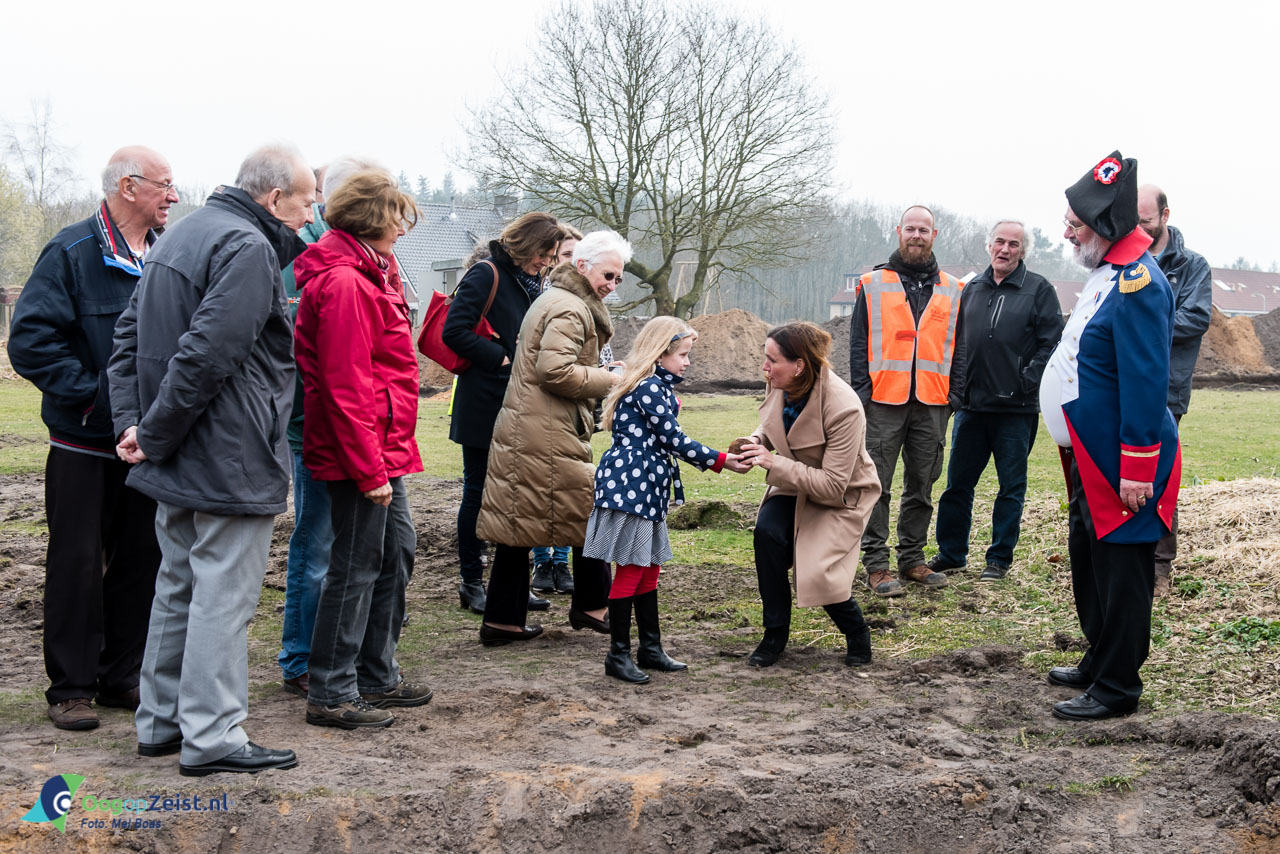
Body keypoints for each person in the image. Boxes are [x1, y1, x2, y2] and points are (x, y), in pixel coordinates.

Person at [108, 144, 315, 775]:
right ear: (274, 197)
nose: (311, 215)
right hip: (227, 450)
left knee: (178, 586)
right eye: (306, 201)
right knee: (222, 596)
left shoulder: (184, 234)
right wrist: (155, 431)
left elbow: (127, 340)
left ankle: (161, 722)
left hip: (182, 450)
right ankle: (214, 735)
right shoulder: (247, 249)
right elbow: (207, 354)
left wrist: (136, 426)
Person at [8, 146, 173, 731]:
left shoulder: (167, 258)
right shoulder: (72, 252)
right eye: (164, 186)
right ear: (128, 188)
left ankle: (119, 676)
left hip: (150, 442)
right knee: (77, 563)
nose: (173, 197)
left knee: (142, 557)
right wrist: (95, 401)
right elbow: (29, 341)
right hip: (84, 442)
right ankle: (71, 687)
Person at [1041, 151, 1179, 722]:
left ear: (1106, 226)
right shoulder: (1107, 276)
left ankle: (1118, 686)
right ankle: (1099, 658)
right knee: (1090, 561)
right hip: (1088, 456)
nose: (1068, 231)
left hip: (1123, 463)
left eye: (1076, 223)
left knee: (1122, 575)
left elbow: (1148, 383)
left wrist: (1137, 470)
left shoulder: (1140, 284)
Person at [293, 169, 431, 729]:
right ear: (374, 217)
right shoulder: (347, 283)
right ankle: (331, 688)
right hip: (360, 451)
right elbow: (346, 384)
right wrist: (368, 468)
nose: (403, 227)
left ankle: (375, 671)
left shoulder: (373, 273)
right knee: (354, 565)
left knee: (395, 553)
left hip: (382, 446)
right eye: (397, 215)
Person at [474, 230, 627, 645]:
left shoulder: (556, 299)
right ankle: (592, 607)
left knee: (518, 523)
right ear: (581, 266)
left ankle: (502, 621)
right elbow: (554, 372)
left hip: (535, 428)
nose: (612, 285)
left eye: (619, 279)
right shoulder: (570, 309)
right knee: (589, 513)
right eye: (607, 275)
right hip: (546, 431)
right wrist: (609, 378)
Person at [277, 157, 383, 698]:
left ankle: (334, 655)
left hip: (345, 428)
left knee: (343, 549)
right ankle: (302, 657)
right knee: (318, 545)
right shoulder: (311, 260)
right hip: (315, 428)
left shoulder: (351, 262)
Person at [584, 317, 730, 683]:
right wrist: (721, 460)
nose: (687, 362)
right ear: (660, 352)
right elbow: (674, 440)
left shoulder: (657, 386)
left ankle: (649, 648)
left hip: (646, 482)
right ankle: (618, 654)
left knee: (649, 566)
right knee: (633, 567)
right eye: (682, 354)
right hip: (631, 482)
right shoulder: (649, 387)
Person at [735, 322, 882, 668]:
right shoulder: (780, 382)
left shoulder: (843, 406)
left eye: (772, 360)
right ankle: (775, 634)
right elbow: (771, 423)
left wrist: (773, 463)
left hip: (841, 493)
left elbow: (833, 484)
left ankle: (857, 632)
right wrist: (756, 442)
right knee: (767, 535)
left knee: (816, 568)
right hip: (794, 481)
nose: (764, 367)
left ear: (799, 364)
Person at [442, 212, 564, 616]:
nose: (547, 263)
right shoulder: (487, 274)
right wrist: (503, 357)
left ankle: (509, 583)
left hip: (520, 405)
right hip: (483, 405)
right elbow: (453, 331)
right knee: (477, 495)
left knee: (517, 495)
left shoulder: (532, 282)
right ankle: (471, 581)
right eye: (545, 255)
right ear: (527, 245)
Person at [930, 221, 1064, 581]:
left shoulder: (1039, 289)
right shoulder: (971, 288)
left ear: (1023, 251)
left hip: (1015, 411)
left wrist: (1027, 381)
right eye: (1000, 242)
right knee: (957, 485)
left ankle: (999, 559)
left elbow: (1052, 343)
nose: (1005, 249)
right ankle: (951, 553)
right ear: (989, 246)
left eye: (1014, 244)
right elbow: (955, 342)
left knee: (1010, 488)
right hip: (971, 408)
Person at [848, 206, 966, 596]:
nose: (917, 235)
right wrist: (863, 393)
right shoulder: (872, 283)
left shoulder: (953, 288)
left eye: (924, 229)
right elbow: (858, 343)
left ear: (935, 234)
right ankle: (877, 565)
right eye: (911, 228)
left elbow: (960, 347)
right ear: (899, 231)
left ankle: (912, 559)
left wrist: (954, 397)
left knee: (922, 484)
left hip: (932, 402)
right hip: (882, 401)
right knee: (875, 484)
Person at [1138, 184, 1212, 598]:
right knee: (1122, 475)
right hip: (1121, 387)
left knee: (1159, 477)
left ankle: (1160, 566)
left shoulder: (1191, 266)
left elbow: (1194, 319)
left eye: (1146, 221)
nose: (1140, 229)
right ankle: (1128, 559)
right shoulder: (1125, 261)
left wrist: (1136, 331)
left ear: (1165, 216)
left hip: (1165, 390)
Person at [531, 224, 584, 597]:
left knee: (568, 488)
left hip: (577, 405)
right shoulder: (543, 298)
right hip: (544, 406)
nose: (572, 264)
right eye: (566, 256)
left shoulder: (590, 300)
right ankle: (540, 560)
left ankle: (561, 561)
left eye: (579, 258)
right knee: (537, 487)